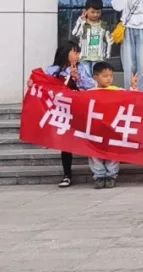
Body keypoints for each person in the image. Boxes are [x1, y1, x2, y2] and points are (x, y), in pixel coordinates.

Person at [46, 41, 94, 188]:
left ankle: (100, 172)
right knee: (65, 142)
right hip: (63, 110)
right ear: (65, 53)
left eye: (78, 53)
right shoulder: (53, 70)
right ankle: (67, 174)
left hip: (80, 108)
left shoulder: (83, 67)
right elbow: (46, 86)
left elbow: (92, 85)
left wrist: (78, 78)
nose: (77, 55)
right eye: (75, 52)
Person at [86, 62, 121, 188]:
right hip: (95, 129)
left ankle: (111, 175)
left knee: (113, 152)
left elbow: (133, 99)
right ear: (95, 77)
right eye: (105, 76)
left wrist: (134, 88)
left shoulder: (118, 91)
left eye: (111, 76)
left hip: (112, 128)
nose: (109, 79)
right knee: (94, 153)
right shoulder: (89, 92)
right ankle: (99, 175)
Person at [72, 0, 111, 67]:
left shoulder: (104, 25)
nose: (95, 14)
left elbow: (109, 41)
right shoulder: (83, 24)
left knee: (96, 74)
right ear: (86, 11)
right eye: (92, 12)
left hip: (99, 58)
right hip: (84, 58)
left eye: (98, 12)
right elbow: (75, 34)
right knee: (85, 74)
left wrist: (107, 54)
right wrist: (81, 21)